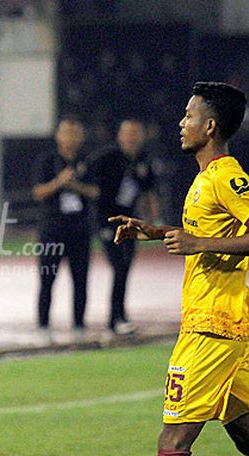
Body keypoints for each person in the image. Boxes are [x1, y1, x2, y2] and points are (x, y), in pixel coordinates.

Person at [110, 82, 249, 456]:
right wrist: (157, 232)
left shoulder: (226, 176)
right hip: (233, 329)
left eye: (189, 115)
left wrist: (199, 244)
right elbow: (205, 234)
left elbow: (208, 240)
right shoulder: (205, 179)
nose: (181, 122)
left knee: (172, 441)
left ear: (210, 127)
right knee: (245, 434)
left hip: (211, 329)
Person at [32, 116, 99, 341]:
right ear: (58, 135)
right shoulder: (47, 161)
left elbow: (96, 192)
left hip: (80, 230)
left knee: (80, 280)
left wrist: (76, 185)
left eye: (75, 133)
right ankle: (43, 326)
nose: (70, 138)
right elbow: (38, 192)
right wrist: (59, 183)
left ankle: (79, 326)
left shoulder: (87, 162)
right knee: (47, 278)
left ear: (81, 137)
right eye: (66, 133)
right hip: (52, 231)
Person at [92, 118, 159, 335]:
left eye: (135, 134)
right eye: (128, 133)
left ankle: (120, 316)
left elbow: (149, 193)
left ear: (142, 137)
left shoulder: (143, 161)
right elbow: (87, 182)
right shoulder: (105, 158)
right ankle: (115, 318)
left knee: (125, 267)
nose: (131, 138)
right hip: (107, 221)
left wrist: (154, 221)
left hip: (130, 223)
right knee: (119, 266)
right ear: (120, 136)